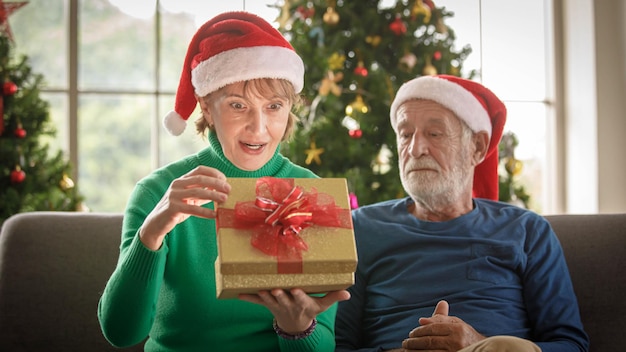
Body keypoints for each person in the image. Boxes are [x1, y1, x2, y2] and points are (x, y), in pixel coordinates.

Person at [97, 11, 350, 352]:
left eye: (274, 106)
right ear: (205, 105)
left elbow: (324, 345)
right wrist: (151, 233)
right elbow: (120, 332)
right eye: (237, 105)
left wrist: (298, 330)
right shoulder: (158, 192)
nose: (258, 128)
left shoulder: (311, 193)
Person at [335, 75, 589, 352]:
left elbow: (571, 345)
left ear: (477, 147)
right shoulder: (361, 227)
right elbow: (337, 345)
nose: (415, 149)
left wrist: (479, 345)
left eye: (434, 134)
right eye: (406, 134)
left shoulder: (527, 230)